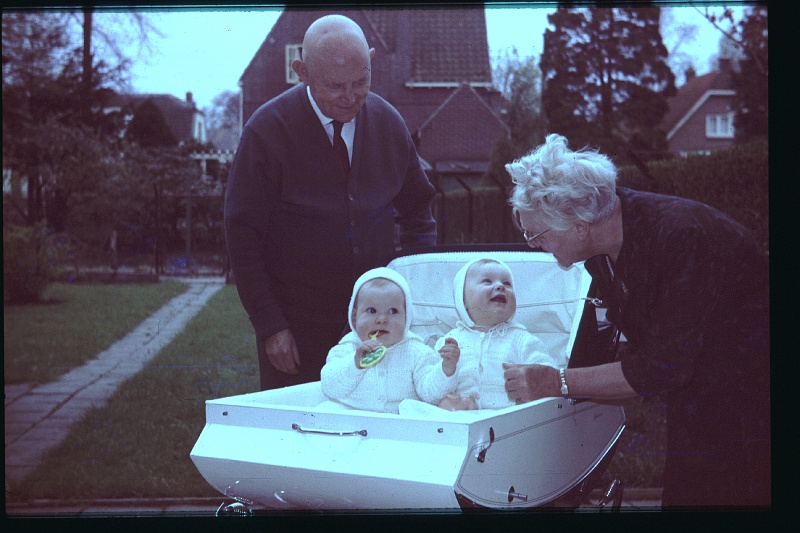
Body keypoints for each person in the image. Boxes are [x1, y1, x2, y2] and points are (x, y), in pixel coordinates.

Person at [502, 133, 770, 509]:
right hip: (701, 391)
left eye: (536, 234)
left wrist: (558, 382)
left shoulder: (682, 238)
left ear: (579, 225)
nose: (533, 244)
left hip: (751, 401)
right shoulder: (604, 243)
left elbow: (663, 367)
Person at [224, 15, 437, 391]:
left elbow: (420, 211)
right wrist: (271, 325)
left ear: (371, 60)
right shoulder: (266, 131)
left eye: (361, 81)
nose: (350, 96)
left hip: (380, 329)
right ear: (301, 72)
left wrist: (406, 289)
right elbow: (242, 234)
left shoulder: (390, 124)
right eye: (335, 86)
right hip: (296, 328)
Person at [320, 268, 459, 414]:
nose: (381, 319)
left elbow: (431, 395)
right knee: (326, 409)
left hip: (398, 422)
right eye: (371, 311)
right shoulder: (346, 348)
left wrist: (446, 369)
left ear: (407, 318)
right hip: (353, 419)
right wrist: (354, 364)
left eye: (392, 311)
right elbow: (329, 388)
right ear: (355, 318)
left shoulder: (417, 351)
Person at [435, 258, 564, 411]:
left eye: (507, 283)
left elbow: (549, 375)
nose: (500, 286)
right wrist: (447, 368)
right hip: (463, 421)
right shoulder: (449, 342)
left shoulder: (522, 339)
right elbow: (429, 388)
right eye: (487, 281)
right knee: (418, 405)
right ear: (463, 301)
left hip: (508, 418)